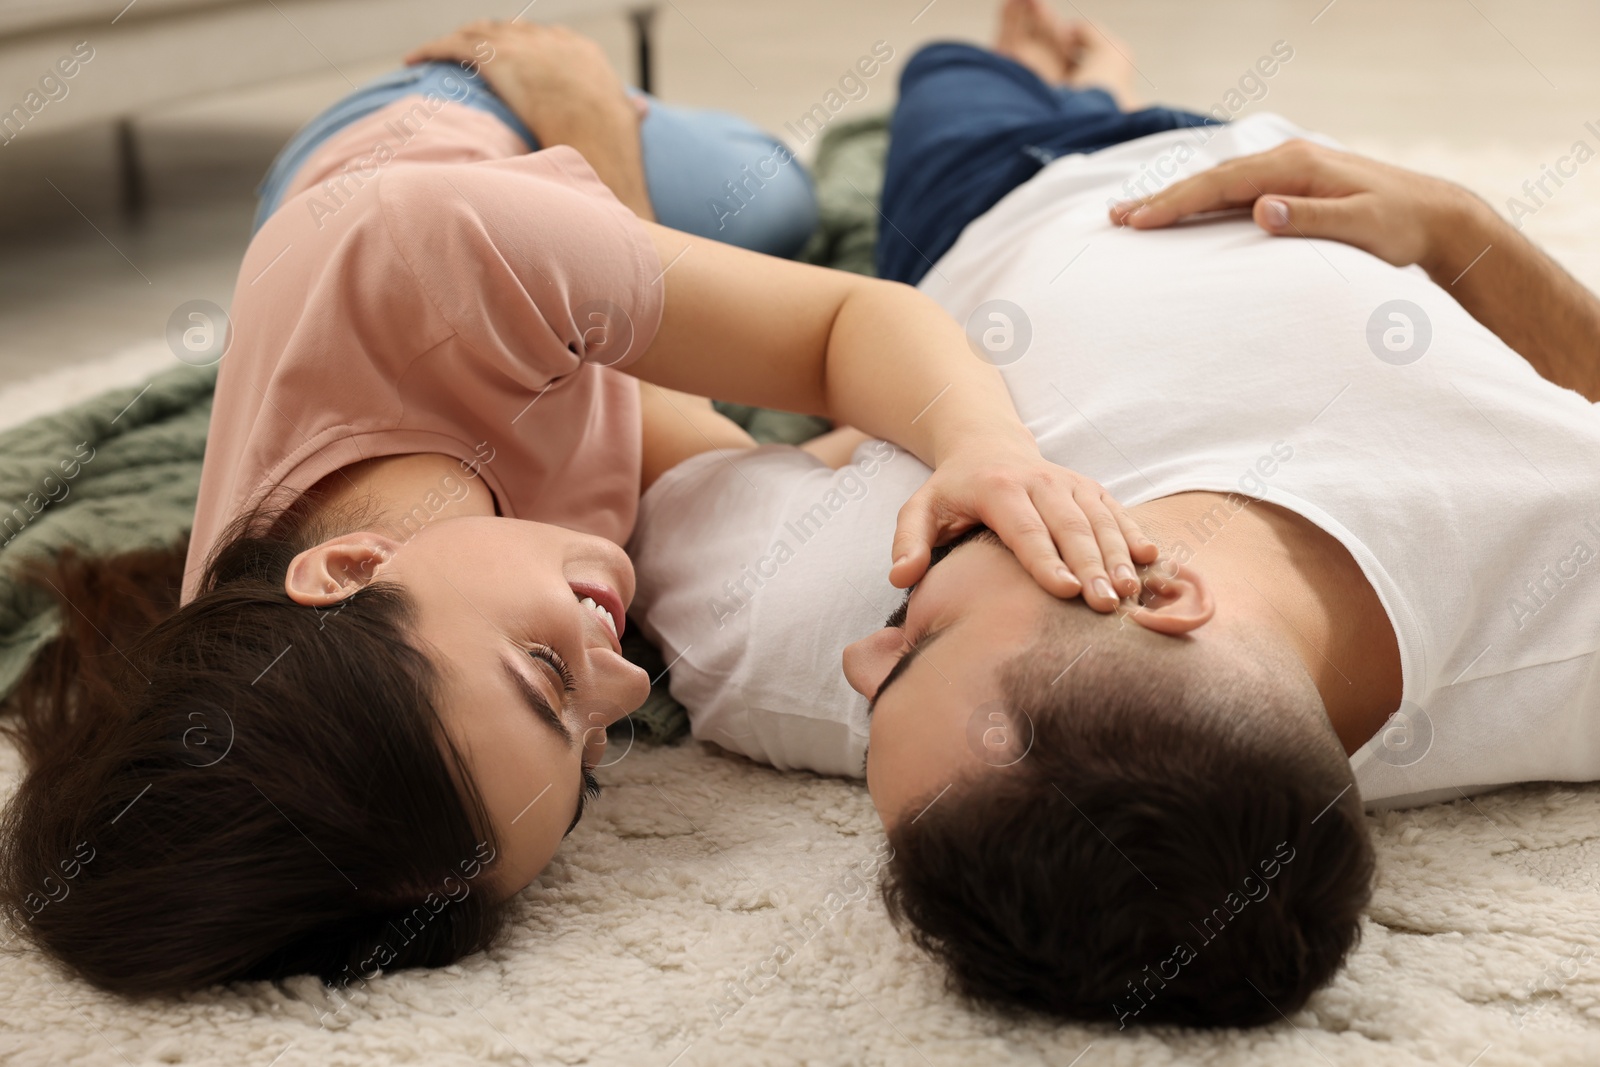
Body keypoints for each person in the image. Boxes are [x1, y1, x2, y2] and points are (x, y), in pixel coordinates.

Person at [0, 18, 1151, 994]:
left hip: (440, 126)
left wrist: (986, 445)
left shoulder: (437, 254)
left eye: (549, 676)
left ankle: (1070, 79)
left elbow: (852, 322)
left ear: (345, 569)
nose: (632, 683)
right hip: (496, 288)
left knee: (779, 196)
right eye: (594, 752)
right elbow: (718, 427)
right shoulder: (334, 647)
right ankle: (1076, 89)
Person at [626, 0, 1600, 1029]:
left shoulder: (805, 627)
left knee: (949, 71)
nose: (858, 664)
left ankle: (1061, 82)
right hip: (1277, 168)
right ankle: (1106, 84)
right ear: (1158, 589)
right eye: (917, 650)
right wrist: (1463, 230)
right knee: (1055, 69)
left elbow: (641, 401)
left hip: (1006, 193)